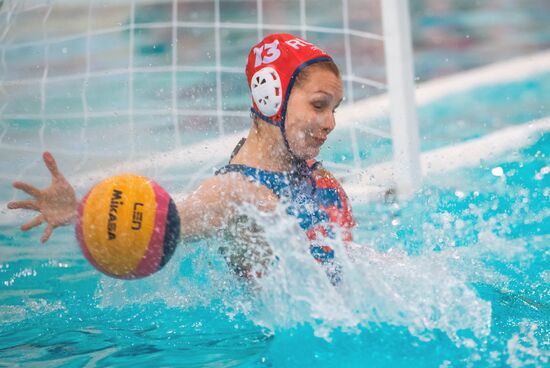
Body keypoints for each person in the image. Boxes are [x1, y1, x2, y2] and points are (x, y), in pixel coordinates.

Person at [7, 33, 355, 283]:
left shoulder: (311, 172)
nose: (331, 123)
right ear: (270, 97)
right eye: (319, 105)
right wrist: (82, 214)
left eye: (334, 109)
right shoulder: (235, 193)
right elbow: (168, 224)